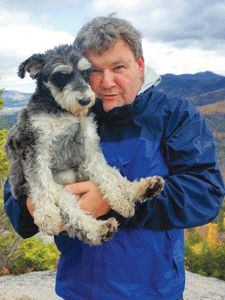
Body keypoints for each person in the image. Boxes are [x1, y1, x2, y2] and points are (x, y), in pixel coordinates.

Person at [4, 15, 225, 300]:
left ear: (140, 66)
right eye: (95, 71)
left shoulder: (175, 115)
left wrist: (110, 202)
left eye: (119, 67)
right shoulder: (63, 113)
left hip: (153, 291)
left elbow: (205, 194)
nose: (107, 82)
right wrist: (29, 205)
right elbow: (18, 182)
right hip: (78, 290)